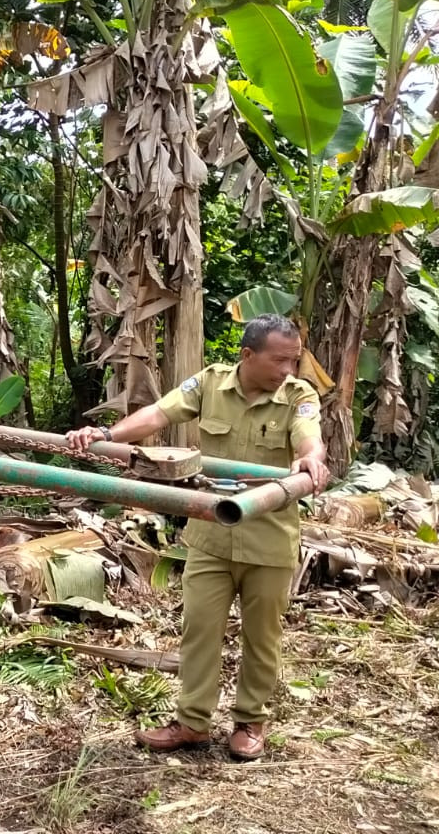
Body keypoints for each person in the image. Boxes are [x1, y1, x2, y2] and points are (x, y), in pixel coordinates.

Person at [65, 314, 329, 760]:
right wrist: (105, 434)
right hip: (210, 538)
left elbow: (309, 436)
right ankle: (192, 723)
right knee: (199, 630)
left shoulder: (298, 395)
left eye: (293, 360)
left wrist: (311, 460)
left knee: (262, 637)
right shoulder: (209, 384)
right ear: (247, 356)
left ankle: (250, 722)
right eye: (279, 360)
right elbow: (157, 413)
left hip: (268, 539)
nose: (288, 369)